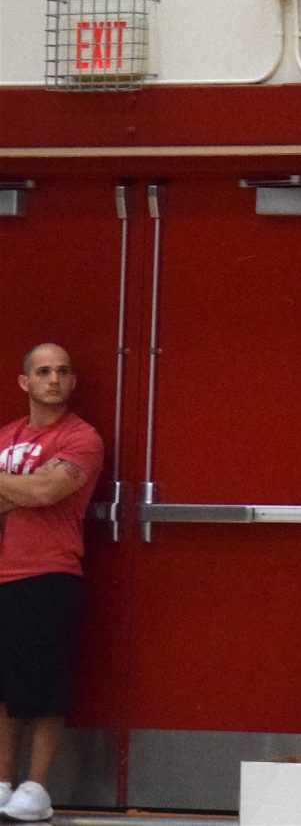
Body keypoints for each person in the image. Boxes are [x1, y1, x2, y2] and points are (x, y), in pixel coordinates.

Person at [0, 344, 103, 826]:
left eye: (63, 370)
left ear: (72, 381)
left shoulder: (82, 438)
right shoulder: (6, 437)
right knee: (4, 687)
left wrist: (20, 490)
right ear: (25, 382)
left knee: (43, 684)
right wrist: (20, 489)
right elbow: (31, 491)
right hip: (3, 572)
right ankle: (2, 781)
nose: (53, 379)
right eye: (43, 371)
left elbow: (46, 490)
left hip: (49, 572)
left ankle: (37, 787)